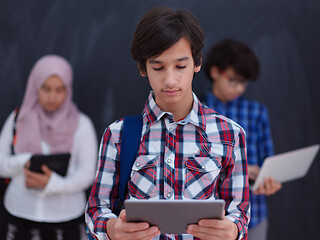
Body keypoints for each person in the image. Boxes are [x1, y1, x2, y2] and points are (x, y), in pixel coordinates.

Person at [86, 6, 250, 240]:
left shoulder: (230, 134)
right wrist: (113, 229)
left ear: (197, 63)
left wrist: (232, 230)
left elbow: (240, 213)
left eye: (180, 66)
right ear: (143, 68)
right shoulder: (118, 135)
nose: (170, 79)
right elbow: (95, 210)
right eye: (158, 67)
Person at [0, 55, 98, 240]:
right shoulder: (18, 119)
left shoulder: (81, 124)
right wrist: (24, 161)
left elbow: (87, 172)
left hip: (65, 217)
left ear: (67, 89)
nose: (53, 96)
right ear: (35, 86)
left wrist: (53, 184)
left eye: (60, 89)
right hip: (19, 212)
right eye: (46, 88)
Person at [203, 39, 282, 240]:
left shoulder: (257, 112)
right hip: (209, 218)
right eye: (233, 80)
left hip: (254, 214)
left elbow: (268, 161)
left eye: (244, 82)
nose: (239, 88)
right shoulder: (197, 113)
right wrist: (242, 172)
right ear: (215, 72)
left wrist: (269, 178)